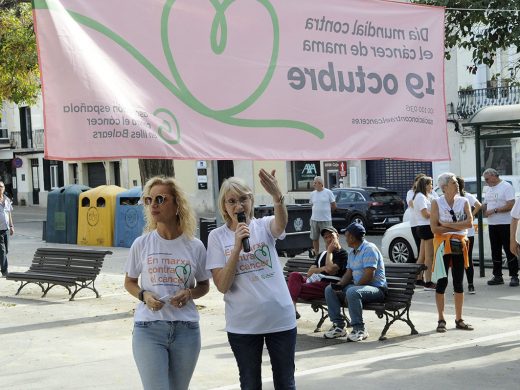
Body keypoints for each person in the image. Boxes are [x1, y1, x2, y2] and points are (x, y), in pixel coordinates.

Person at [206, 169, 296, 390]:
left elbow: (281, 224)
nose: (239, 205)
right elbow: (222, 285)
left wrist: (277, 196)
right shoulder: (217, 237)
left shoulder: (263, 225)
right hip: (243, 325)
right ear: (224, 208)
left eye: (244, 199)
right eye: (232, 201)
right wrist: (237, 247)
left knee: (285, 382)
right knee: (250, 383)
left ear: (252, 201)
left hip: (280, 319)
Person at [124, 176, 211, 390]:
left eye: (160, 199)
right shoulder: (142, 243)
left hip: (186, 330)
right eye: (149, 200)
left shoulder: (195, 246)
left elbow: (204, 285)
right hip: (149, 328)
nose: (153, 204)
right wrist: (144, 295)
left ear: (177, 204)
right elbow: (130, 282)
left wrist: (189, 294)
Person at [323, 222, 387, 342]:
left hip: (377, 289)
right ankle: (339, 326)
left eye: (346, 236)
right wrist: (340, 286)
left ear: (352, 237)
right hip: (360, 288)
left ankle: (359, 329)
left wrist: (353, 289)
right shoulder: (352, 252)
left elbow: (369, 275)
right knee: (330, 289)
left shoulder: (369, 249)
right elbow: (348, 273)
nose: (345, 238)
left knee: (352, 292)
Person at [430, 173, 474, 333]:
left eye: (456, 182)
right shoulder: (436, 203)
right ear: (444, 187)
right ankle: (441, 319)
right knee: (442, 281)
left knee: (458, 281)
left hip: (459, 244)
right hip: (442, 244)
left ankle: (459, 318)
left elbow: (469, 223)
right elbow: (434, 228)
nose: (457, 185)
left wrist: (446, 225)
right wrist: (457, 226)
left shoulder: (464, 201)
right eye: (454, 183)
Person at [287, 226, 347, 319]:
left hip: (328, 285)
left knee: (293, 289)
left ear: (337, 236)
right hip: (314, 283)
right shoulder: (322, 254)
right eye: (326, 237)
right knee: (294, 275)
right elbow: (310, 273)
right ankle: (293, 309)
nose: (328, 239)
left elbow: (330, 270)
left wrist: (330, 252)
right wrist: (324, 268)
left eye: (331, 236)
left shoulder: (342, 253)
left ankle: (290, 309)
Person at [482, 168, 519, 287]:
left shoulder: (506, 186)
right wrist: (481, 208)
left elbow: (511, 204)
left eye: (487, 179)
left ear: (494, 176)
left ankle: (514, 276)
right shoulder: (488, 189)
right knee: (495, 251)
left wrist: (495, 210)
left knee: (509, 250)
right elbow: (486, 204)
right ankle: (497, 276)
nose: (486, 182)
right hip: (492, 224)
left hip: (505, 223)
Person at [456, 176, 482, 294]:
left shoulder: (464, 196)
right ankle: (469, 285)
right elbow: (479, 205)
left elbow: (479, 205)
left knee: (460, 258)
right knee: (466, 258)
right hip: (464, 233)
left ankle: (462, 285)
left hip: (461, 233)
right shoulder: (467, 196)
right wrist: (472, 213)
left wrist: (471, 214)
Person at [413, 176, 436, 290]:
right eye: (430, 184)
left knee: (422, 256)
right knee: (429, 256)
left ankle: (418, 279)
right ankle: (428, 282)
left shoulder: (423, 196)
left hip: (424, 227)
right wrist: (436, 214)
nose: (431, 186)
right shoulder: (421, 197)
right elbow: (425, 214)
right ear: (425, 185)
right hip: (426, 227)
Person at [309, 176, 337, 257]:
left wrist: (327, 212)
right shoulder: (312, 194)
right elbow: (312, 205)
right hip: (314, 219)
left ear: (320, 184)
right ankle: (317, 255)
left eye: (315, 183)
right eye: (313, 183)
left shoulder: (328, 192)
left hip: (326, 219)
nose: (313, 184)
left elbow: (334, 206)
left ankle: (328, 255)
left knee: (328, 239)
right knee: (314, 238)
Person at [406, 173, 426, 262]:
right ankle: (420, 274)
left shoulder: (430, 192)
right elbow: (411, 204)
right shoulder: (411, 193)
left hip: (428, 224)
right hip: (416, 224)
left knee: (428, 251)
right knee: (420, 249)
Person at [0, 181, 14, 277]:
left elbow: (9, 214)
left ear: (4, 188)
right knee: (2, 250)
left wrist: (12, 226)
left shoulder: (7, 200)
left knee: (6, 250)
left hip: (6, 229)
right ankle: (4, 271)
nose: (0, 188)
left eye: (1, 186)